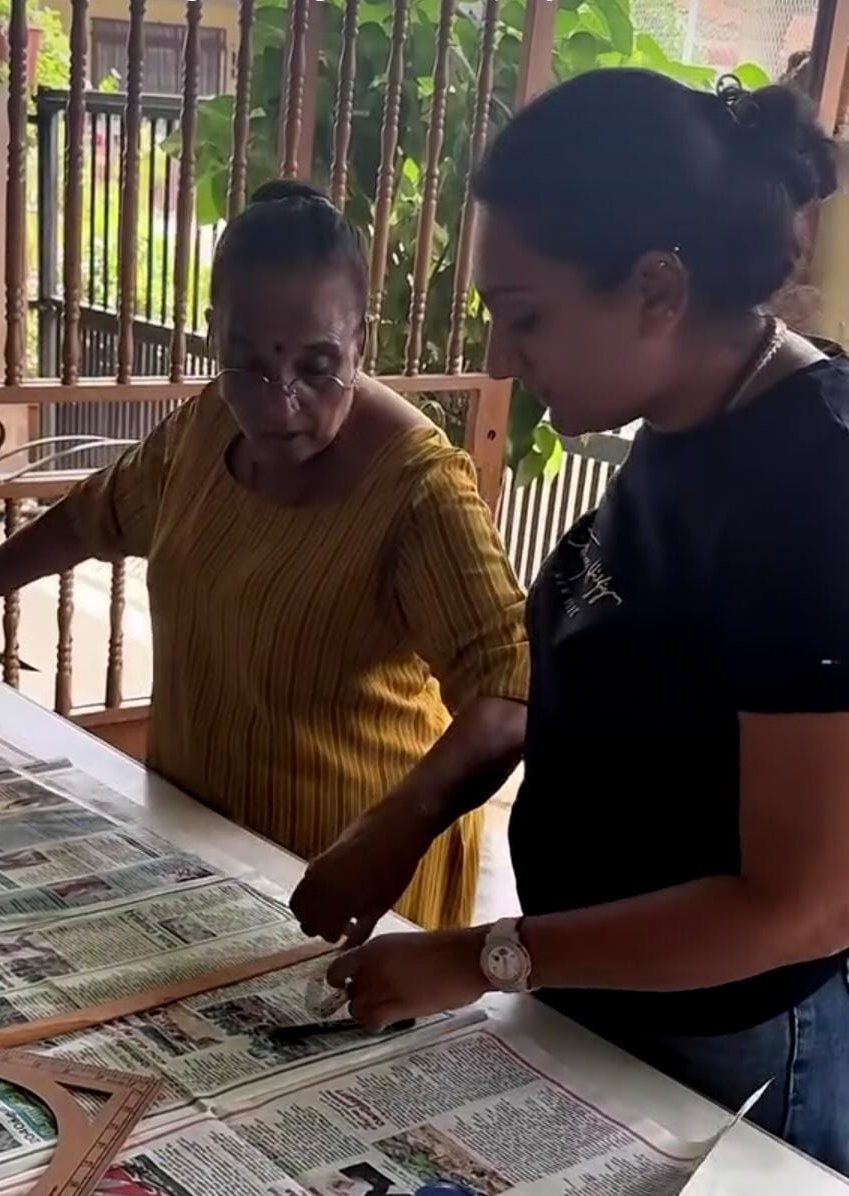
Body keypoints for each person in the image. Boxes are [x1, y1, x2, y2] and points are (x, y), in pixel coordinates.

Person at [291, 71, 849, 1172]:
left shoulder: (815, 487)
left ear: (656, 288)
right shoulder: (686, 422)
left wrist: (484, 957)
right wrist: (408, 815)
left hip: (726, 1042)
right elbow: (589, 672)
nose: (504, 358)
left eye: (527, 315)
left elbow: (801, 908)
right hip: (591, 984)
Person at [0, 180, 529, 932]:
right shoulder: (209, 425)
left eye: (318, 367)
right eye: (246, 361)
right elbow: (94, 516)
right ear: (215, 333)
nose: (278, 401)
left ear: (360, 342)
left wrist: (395, 830)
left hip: (355, 877)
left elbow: (509, 692)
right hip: (199, 838)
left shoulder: (418, 491)